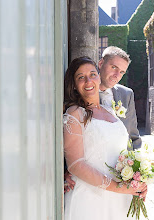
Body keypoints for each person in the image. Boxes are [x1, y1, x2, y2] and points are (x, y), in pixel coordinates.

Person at [63, 56, 147, 220]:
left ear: (99, 76)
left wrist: (138, 181)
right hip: (90, 200)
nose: (88, 81)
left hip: (120, 199)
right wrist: (118, 188)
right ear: (73, 85)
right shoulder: (75, 113)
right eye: (81, 77)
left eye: (92, 74)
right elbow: (75, 164)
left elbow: (124, 152)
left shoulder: (110, 110)